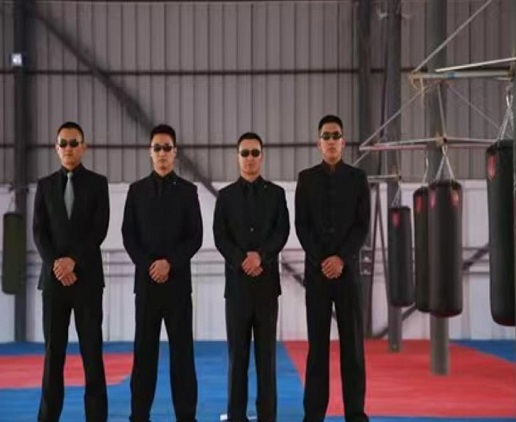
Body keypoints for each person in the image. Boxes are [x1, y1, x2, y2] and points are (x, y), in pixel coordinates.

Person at [122, 124, 202, 422]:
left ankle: (186, 416)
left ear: (175, 152)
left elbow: (195, 236)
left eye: (167, 148)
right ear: (150, 152)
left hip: (178, 285)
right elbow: (129, 235)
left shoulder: (189, 192)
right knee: (144, 354)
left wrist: (170, 263)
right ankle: (139, 415)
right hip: (146, 285)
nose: (162, 153)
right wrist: (149, 265)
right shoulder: (136, 191)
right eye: (157, 148)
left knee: (182, 355)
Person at [295, 115, 371, 422]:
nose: (330, 140)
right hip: (317, 275)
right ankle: (313, 415)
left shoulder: (358, 179)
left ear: (343, 142)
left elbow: (362, 225)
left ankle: (355, 413)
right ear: (319, 143)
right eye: (325, 136)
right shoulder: (306, 179)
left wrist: (341, 258)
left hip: (348, 273)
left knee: (353, 348)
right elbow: (302, 225)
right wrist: (322, 260)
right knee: (318, 349)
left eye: (335, 135)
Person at [33, 121, 110, 422]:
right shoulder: (44, 186)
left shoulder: (98, 184)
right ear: (56, 148)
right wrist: (57, 264)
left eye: (73, 143)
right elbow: (39, 232)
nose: (68, 148)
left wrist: (73, 261)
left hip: (87, 281)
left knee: (92, 354)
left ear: (83, 147)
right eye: (63, 143)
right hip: (54, 283)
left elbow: (99, 229)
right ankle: (48, 417)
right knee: (54, 355)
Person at [213, 132, 290, 422]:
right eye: (244, 153)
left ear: (262, 156)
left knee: (266, 358)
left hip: (267, 288)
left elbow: (282, 232)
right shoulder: (225, 197)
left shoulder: (276, 194)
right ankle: (237, 416)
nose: (249, 158)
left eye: (254, 153)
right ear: (237, 157)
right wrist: (241, 259)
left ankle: (267, 416)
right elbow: (220, 236)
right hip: (237, 288)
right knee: (238, 358)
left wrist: (261, 256)